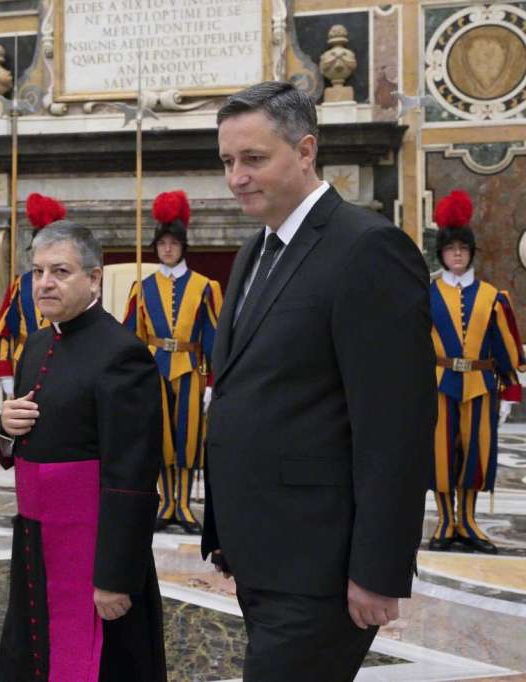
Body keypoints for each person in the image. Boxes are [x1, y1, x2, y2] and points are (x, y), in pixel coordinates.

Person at [201, 81, 436, 681]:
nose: (236, 177)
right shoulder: (256, 251)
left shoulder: (369, 249)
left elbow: (397, 427)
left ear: (305, 151)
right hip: (262, 553)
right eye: (227, 161)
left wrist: (379, 569)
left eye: (254, 158)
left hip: (323, 565)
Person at [0, 222, 166, 681]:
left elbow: (133, 476)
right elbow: (15, 447)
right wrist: (5, 428)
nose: (44, 283)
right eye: (37, 272)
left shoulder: (122, 354)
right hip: (35, 543)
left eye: (60, 271)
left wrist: (116, 577)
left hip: (93, 554)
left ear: (94, 279)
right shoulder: (35, 344)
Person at [427, 189, 525, 554]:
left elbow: (505, 347)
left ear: (471, 253)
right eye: (451, 248)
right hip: (439, 386)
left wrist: (509, 392)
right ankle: (445, 520)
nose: (457, 254)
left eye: (463, 249)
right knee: (440, 455)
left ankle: (467, 520)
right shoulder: (426, 295)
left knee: (476, 454)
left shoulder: (492, 297)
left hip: (481, 387)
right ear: (441, 253)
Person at [123, 190, 222, 533]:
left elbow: (214, 337)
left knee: (189, 439)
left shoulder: (205, 287)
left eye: (173, 243)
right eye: (162, 243)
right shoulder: (142, 288)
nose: (167, 249)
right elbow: (132, 339)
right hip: (154, 372)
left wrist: (213, 382)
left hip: (191, 370)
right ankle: (165, 502)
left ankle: (184, 504)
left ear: (183, 246)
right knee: (161, 438)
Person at [0, 193, 62, 398]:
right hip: (24, 363)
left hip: (62, 362)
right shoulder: (21, 284)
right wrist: (5, 371)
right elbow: (5, 330)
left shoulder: (70, 283)